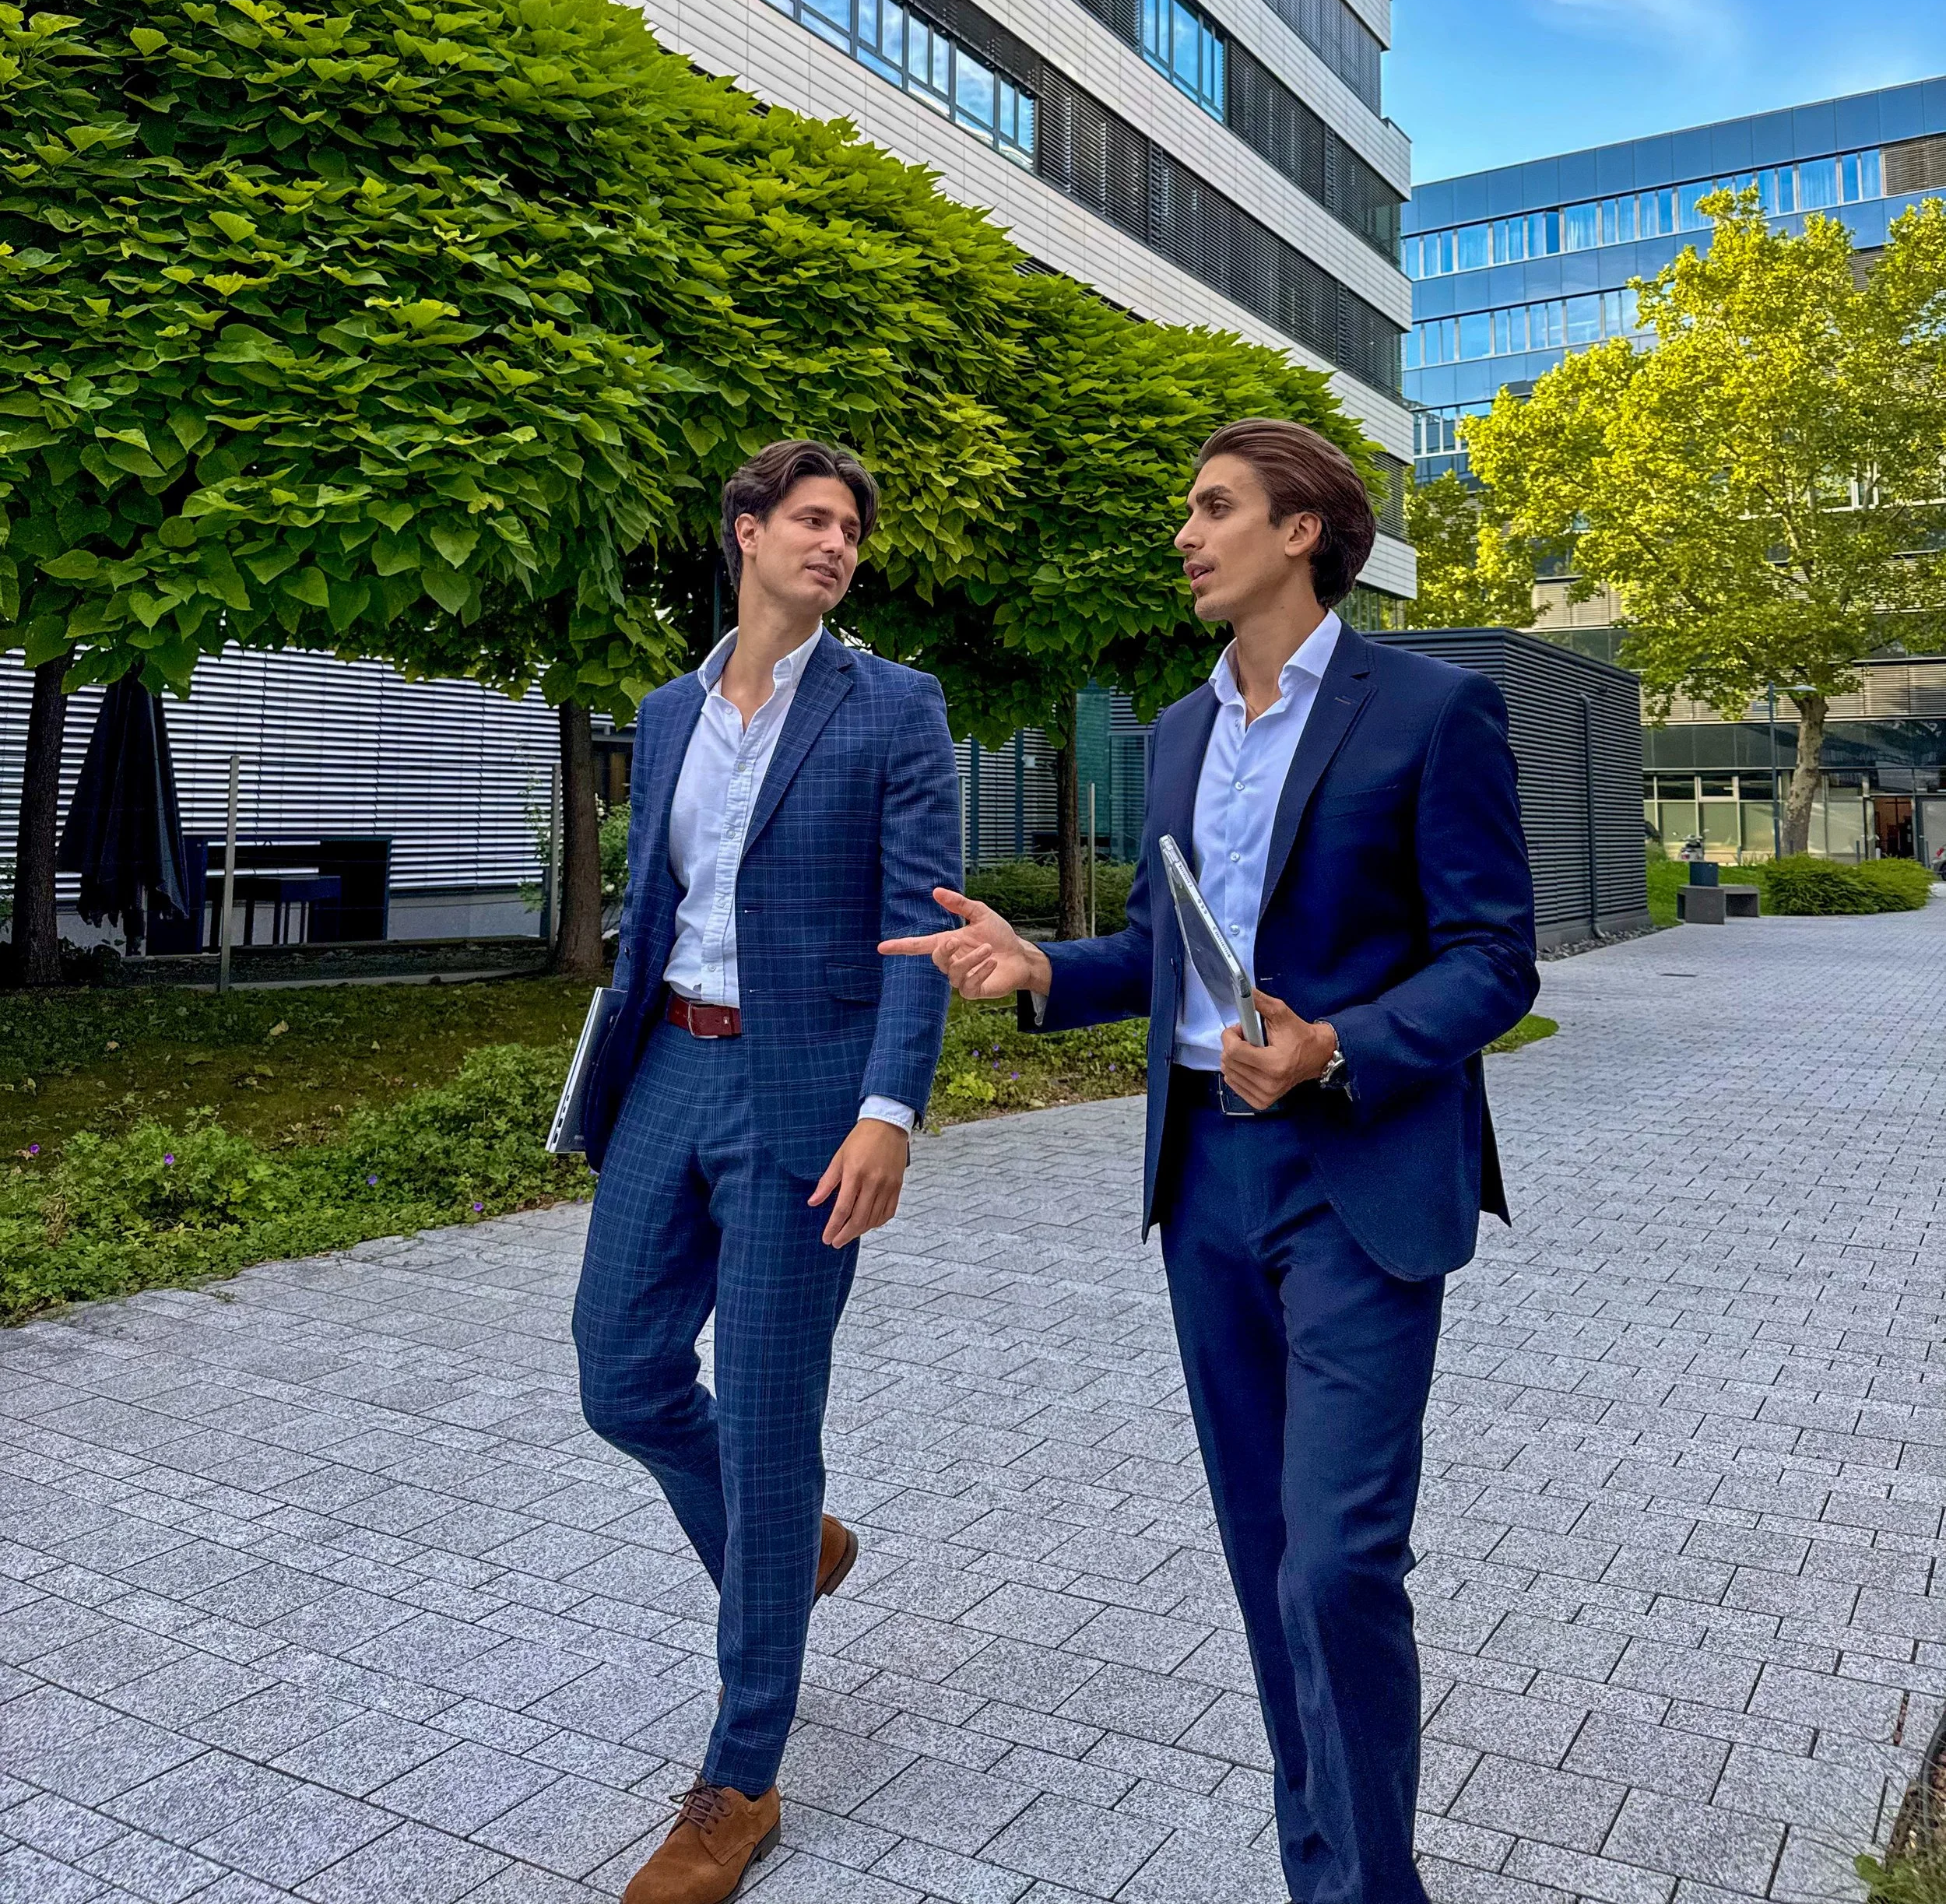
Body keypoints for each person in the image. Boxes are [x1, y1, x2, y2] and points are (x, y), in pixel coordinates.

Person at [883, 417, 1537, 1904]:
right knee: (1264, 1562)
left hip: (1358, 1174)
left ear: (1302, 529)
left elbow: (1499, 959)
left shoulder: (1430, 710)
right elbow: (1160, 952)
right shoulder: (1175, 729)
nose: (1187, 534)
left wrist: (1341, 1044)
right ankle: (1327, 1872)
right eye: (1189, 509)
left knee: (1337, 1565)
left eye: (1215, 507)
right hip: (1207, 1188)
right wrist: (1040, 965)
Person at [573, 439, 961, 1904]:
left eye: (851, 528)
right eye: (810, 520)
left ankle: (739, 1782)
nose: (837, 545)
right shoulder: (671, 712)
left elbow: (921, 921)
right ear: (745, 534)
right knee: (618, 1371)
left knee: (772, 1412)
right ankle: (787, 1544)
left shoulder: (893, 707)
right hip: (672, 1064)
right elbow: (654, 901)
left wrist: (890, 1111)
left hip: (809, 1097)